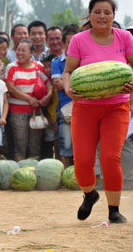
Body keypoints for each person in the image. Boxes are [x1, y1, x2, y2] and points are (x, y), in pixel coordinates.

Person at [63, 0, 133, 224]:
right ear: (89, 16)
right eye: (97, 12)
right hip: (85, 107)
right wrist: (68, 88)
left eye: (107, 12)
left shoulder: (125, 37)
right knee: (82, 161)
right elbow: (68, 71)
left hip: (116, 107)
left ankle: (114, 210)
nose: (102, 16)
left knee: (111, 158)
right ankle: (90, 195)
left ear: (113, 16)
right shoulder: (79, 40)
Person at [5, 40, 52, 161]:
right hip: (17, 111)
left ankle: (33, 173)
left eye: (23, 50)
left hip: (36, 111)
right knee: (20, 144)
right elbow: (11, 88)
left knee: (35, 145)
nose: (19, 53)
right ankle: (19, 174)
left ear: (31, 53)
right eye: (18, 50)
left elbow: (49, 84)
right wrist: (29, 99)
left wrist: (47, 97)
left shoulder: (38, 66)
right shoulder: (11, 67)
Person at [51, 27, 78, 168]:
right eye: (69, 42)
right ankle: (66, 176)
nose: (72, 45)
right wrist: (79, 82)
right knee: (66, 144)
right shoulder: (57, 62)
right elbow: (57, 84)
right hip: (65, 110)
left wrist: (66, 81)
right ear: (63, 43)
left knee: (83, 145)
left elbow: (62, 83)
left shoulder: (85, 60)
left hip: (84, 108)